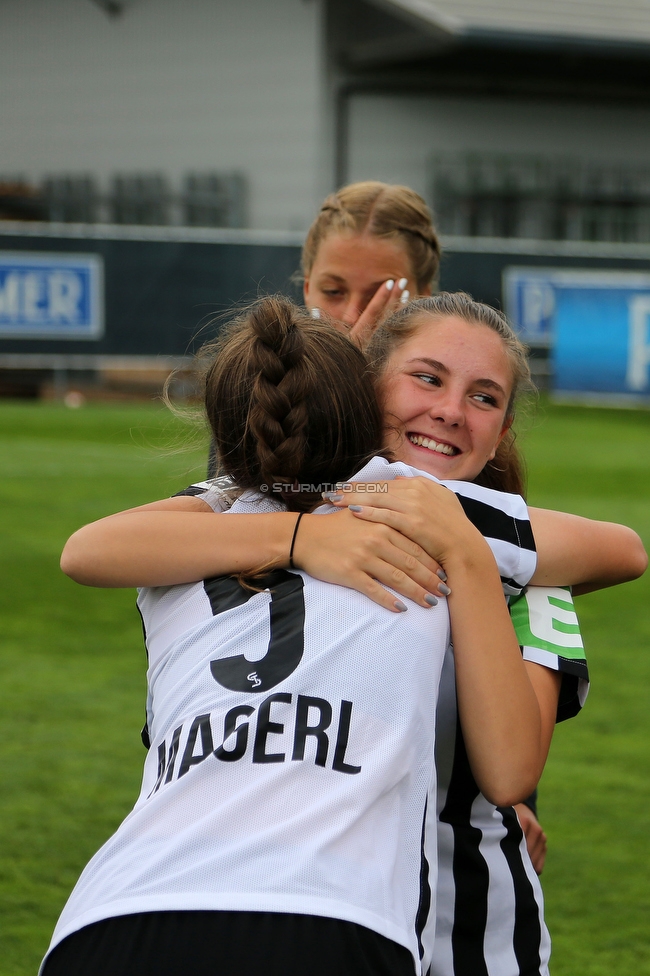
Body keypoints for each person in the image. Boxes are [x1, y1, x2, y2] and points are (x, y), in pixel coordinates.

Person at [57, 293, 647, 976]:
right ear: (365, 390)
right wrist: (307, 537)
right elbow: (623, 550)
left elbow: (87, 550)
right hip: (349, 911)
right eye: (425, 378)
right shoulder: (409, 504)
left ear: (505, 427)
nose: (451, 410)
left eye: (484, 398)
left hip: (130, 906)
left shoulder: (220, 507)